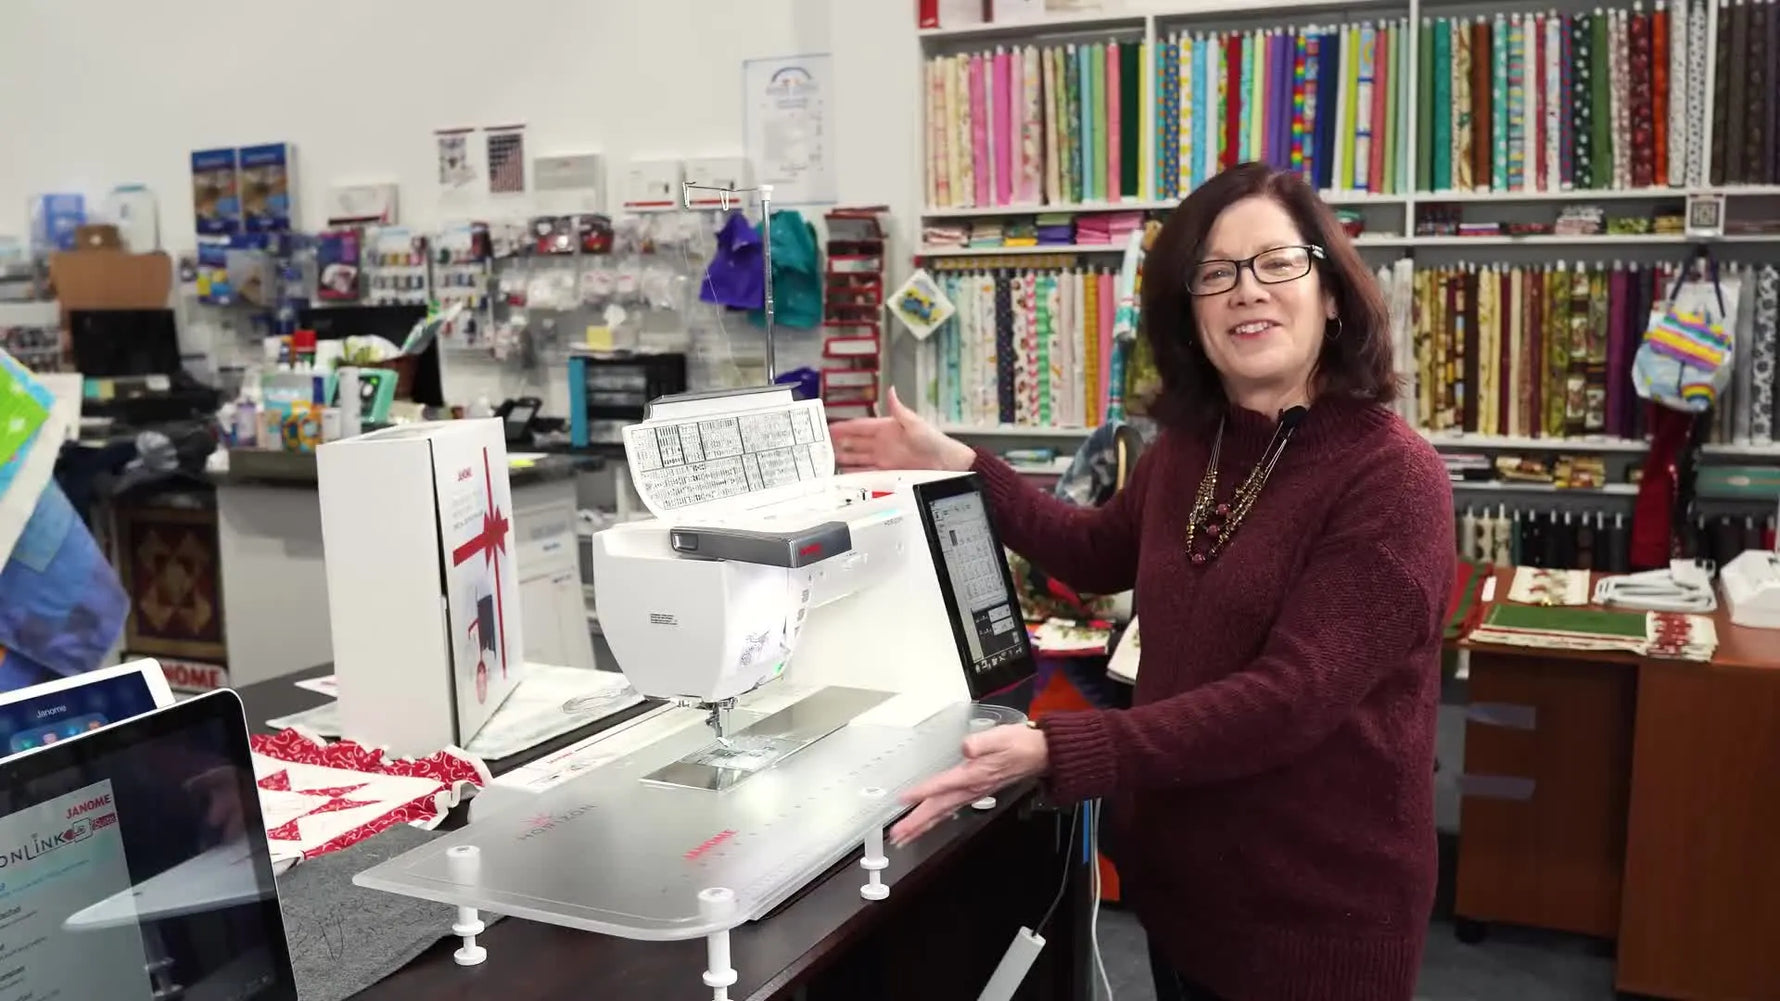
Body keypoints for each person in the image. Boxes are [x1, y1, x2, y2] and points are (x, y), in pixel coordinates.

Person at [830, 161, 1455, 1001]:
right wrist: (959, 465)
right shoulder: (1191, 449)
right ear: (1189, 313)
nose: (1247, 291)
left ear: (1333, 291)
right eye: (1216, 273)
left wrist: (1064, 746)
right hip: (1186, 891)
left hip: (1314, 920)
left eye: (1277, 262)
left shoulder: (1393, 480)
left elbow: (1291, 696)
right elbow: (1093, 552)